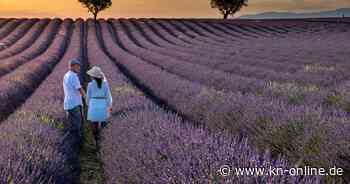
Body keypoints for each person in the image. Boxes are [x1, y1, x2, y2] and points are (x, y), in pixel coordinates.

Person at [86, 66, 112, 142]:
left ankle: (96, 140)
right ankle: (103, 141)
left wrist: (88, 104)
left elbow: (88, 97)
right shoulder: (105, 84)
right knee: (103, 123)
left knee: (94, 124)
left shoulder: (90, 85)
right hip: (102, 104)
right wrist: (109, 105)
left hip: (93, 104)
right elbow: (108, 96)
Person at [63, 58, 85, 141]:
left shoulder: (66, 75)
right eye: (77, 66)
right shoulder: (73, 76)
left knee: (72, 127)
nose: (79, 68)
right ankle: (79, 143)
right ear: (72, 66)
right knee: (78, 126)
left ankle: (65, 143)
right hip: (75, 104)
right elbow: (80, 89)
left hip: (68, 104)